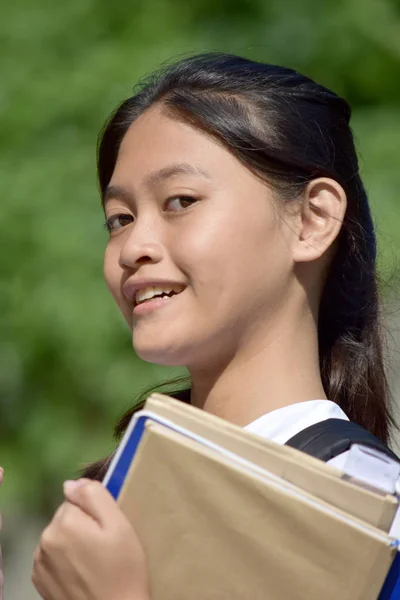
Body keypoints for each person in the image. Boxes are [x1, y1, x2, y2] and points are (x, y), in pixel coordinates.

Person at [31, 52, 397, 599]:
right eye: (119, 219)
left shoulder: (369, 508)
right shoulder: (120, 492)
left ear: (313, 219)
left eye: (180, 201)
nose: (134, 247)